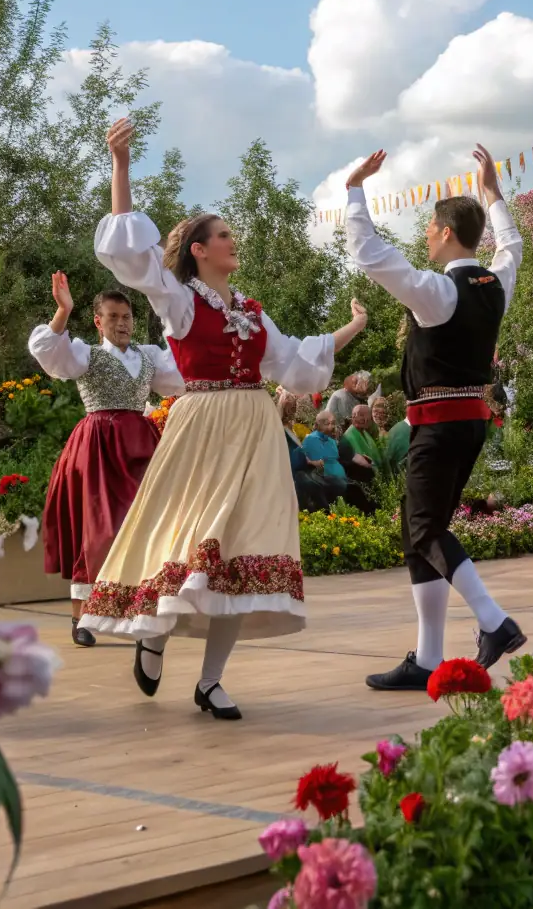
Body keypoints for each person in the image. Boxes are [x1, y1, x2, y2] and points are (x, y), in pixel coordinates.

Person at [79, 118, 367, 720]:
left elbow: (296, 364)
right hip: (203, 426)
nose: (235, 242)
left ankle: (210, 682)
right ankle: (154, 632)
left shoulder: (253, 314)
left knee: (246, 547)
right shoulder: (180, 302)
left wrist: (353, 327)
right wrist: (122, 169)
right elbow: (132, 259)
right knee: (191, 537)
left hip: (255, 430)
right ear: (198, 250)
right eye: (224, 235)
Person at [344, 144, 524, 691]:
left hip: (440, 423)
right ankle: (427, 658)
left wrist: (355, 189)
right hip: (467, 423)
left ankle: (495, 622)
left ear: (446, 233)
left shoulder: (438, 291)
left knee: (424, 528)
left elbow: (371, 254)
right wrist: (493, 194)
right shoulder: (496, 283)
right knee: (420, 530)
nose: (425, 235)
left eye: (429, 228)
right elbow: (511, 245)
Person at [29, 275, 185, 647]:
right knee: (97, 529)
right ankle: (81, 617)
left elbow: (182, 377)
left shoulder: (149, 356)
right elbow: (48, 350)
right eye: (113, 316)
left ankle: (138, 612)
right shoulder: (86, 354)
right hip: (98, 446)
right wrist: (63, 310)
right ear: (98, 321)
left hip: (141, 447)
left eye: (127, 316)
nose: (122, 323)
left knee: (144, 526)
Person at [279, 392, 329, 512]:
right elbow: (292, 455)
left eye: (293, 408)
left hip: (302, 466)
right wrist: (310, 461)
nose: (291, 412)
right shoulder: (279, 428)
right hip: (291, 470)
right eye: (289, 408)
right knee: (311, 485)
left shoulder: (294, 427)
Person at [302, 410, 349, 495]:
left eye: (333, 423)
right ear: (319, 424)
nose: (333, 426)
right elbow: (314, 464)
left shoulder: (332, 441)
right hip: (326, 482)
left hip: (341, 480)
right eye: (328, 423)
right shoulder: (311, 439)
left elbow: (335, 459)